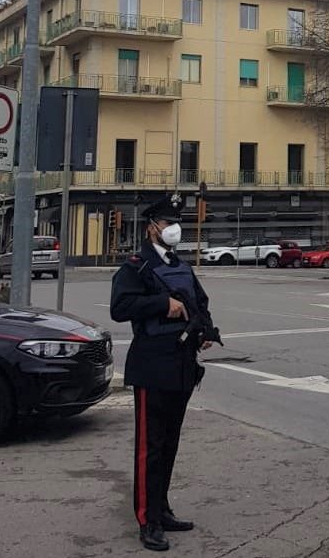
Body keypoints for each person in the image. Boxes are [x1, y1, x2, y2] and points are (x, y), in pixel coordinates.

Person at [110, 192, 221, 552]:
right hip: (152, 364)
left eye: (177, 223)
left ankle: (163, 508)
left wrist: (205, 331)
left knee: (170, 443)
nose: (174, 229)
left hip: (182, 363)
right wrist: (162, 303)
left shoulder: (182, 266)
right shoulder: (135, 267)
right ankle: (148, 519)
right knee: (150, 447)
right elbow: (120, 307)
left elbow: (199, 304)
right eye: (168, 223)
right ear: (151, 229)